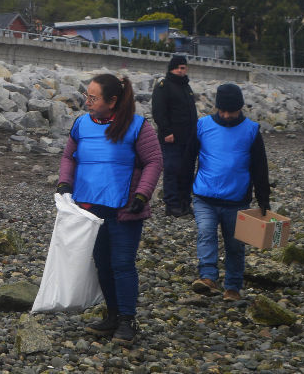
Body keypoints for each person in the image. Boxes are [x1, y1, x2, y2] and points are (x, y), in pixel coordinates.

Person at [56, 74, 162, 343]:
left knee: (122, 264)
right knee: (102, 264)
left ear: (112, 101)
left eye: (93, 98)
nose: (86, 102)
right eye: (86, 96)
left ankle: (128, 321)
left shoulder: (137, 126)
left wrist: (142, 194)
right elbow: (69, 156)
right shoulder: (81, 124)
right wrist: (64, 183)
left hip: (124, 210)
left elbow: (154, 161)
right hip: (90, 210)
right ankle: (112, 315)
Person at [189, 83, 271, 302]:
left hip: (237, 200)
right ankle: (207, 277)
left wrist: (264, 200)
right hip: (204, 196)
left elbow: (260, 167)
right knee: (206, 233)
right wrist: (178, 193)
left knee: (235, 244)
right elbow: (188, 159)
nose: (226, 115)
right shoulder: (202, 125)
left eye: (231, 111)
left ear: (240, 108)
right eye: (222, 110)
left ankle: (233, 287)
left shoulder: (251, 130)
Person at [151, 55, 198, 217]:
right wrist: (166, 132)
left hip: (188, 138)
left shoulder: (186, 87)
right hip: (172, 139)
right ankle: (172, 205)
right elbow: (158, 111)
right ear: (171, 69)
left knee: (187, 171)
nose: (180, 70)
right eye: (177, 67)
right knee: (172, 170)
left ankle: (185, 202)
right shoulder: (163, 86)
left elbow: (191, 112)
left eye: (183, 67)